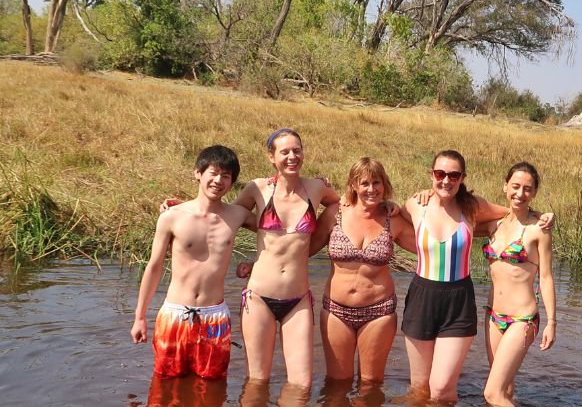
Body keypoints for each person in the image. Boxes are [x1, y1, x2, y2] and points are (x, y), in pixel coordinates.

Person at [399, 150, 553, 403]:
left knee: (441, 389)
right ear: (431, 175)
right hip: (421, 297)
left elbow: (512, 212)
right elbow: (395, 221)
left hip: (458, 300)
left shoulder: (472, 206)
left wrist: (541, 216)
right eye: (440, 174)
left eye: (453, 175)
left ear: (462, 178)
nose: (446, 180)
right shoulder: (416, 204)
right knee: (419, 387)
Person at [131, 145, 254, 379]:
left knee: (213, 387)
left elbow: (279, 232)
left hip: (215, 316)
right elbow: (154, 267)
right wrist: (139, 317)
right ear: (198, 173)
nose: (218, 180)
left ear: (232, 182)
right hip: (175, 314)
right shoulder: (171, 217)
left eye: (226, 176)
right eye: (213, 173)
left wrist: (255, 264)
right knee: (164, 384)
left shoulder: (237, 215)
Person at [233, 128, 340, 388]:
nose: (292, 156)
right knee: (257, 383)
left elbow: (343, 205)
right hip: (259, 297)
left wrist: (389, 208)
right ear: (272, 157)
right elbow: (225, 215)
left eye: (297, 150)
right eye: (284, 152)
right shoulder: (257, 188)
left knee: (301, 385)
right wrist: (183, 207)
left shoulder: (316, 188)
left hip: (298, 299)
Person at [308, 157, 416, 384]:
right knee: (337, 384)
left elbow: (429, 247)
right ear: (353, 185)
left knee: (371, 386)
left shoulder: (393, 220)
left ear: (384, 185)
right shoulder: (334, 213)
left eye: (376, 183)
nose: (371, 189)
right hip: (336, 310)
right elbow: (304, 249)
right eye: (364, 183)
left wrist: (414, 206)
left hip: (379, 312)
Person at [479, 162, 556, 407]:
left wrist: (551, 322)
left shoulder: (538, 229)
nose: (520, 194)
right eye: (515, 187)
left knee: (492, 393)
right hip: (493, 317)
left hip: (522, 319)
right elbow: (459, 210)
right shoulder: (494, 224)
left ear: (534, 193)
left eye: (527, 189)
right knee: (506, 389)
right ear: (505, 186)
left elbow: (546, 277)